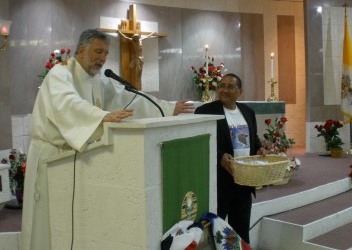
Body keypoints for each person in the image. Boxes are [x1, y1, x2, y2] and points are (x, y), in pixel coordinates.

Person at [21, 29, 194, 250]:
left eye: (105, 53)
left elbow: (128, 98)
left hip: (74, 159)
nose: (102, 58)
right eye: (98, 51)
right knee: (47, 220)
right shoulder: (60, 73)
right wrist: (101, 116)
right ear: (82, 50)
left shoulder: (97, 81)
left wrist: (167, 108)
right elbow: (67, 102)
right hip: (51, 159)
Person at [194, 73, 266, 244]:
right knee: (214, 231)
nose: (224, 90)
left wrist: (260, 148)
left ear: (239, 91)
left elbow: (253, 140)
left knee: (241, 230)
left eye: (230, 86)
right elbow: (201, 142)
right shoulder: (205, 111)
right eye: (222, 86)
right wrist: (219, 157)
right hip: (220, 182)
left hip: (243, 181)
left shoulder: (248, 112)